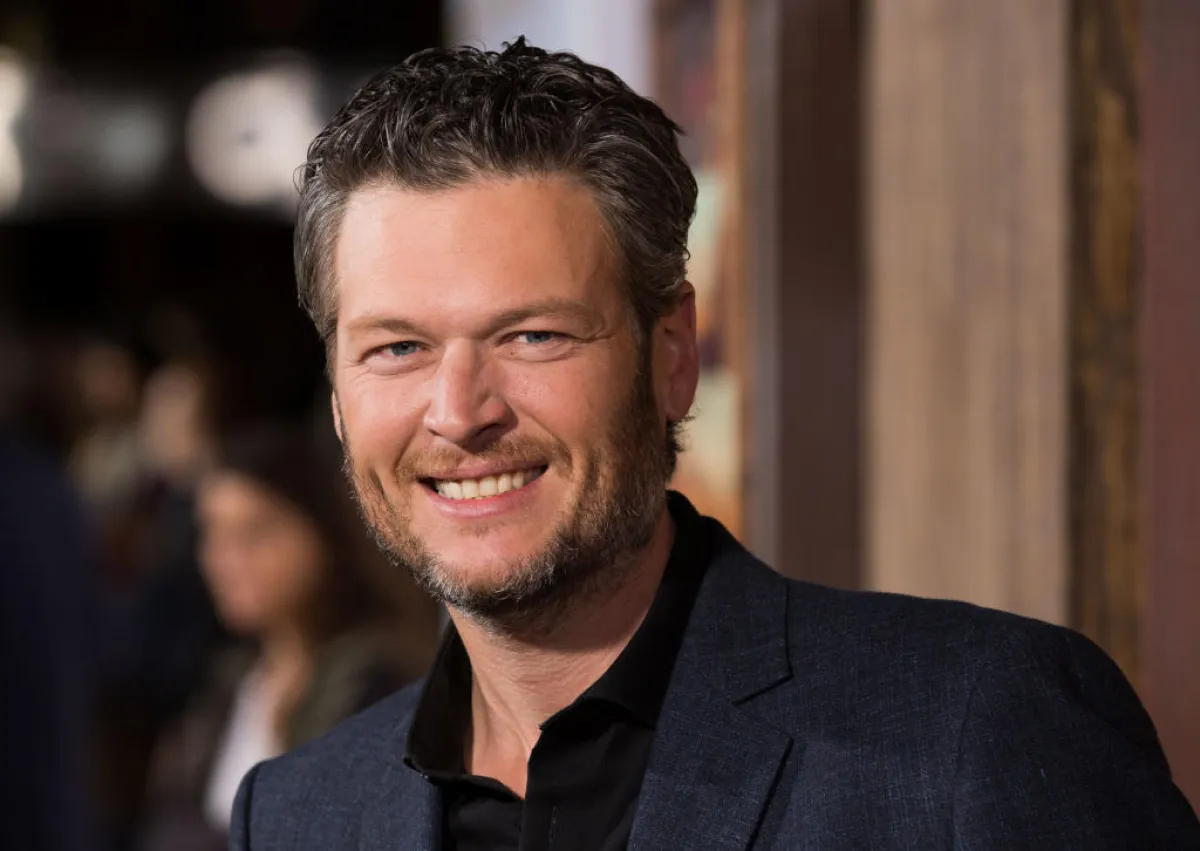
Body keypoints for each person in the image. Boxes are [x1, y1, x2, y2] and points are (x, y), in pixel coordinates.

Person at [230, 39, 1200, 849]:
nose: (459, 410)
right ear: (339, 397)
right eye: (397, 347)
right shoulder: (297, 814)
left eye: (533, 335)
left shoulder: (974, 729)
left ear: (673, 356)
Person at [139, 425, 439, 851]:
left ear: (322, 533)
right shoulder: (229, 683)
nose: (226, 559)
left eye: (256, 531)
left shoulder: (377, 684)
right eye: (212, 532)